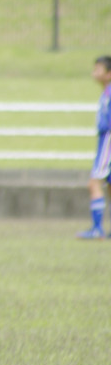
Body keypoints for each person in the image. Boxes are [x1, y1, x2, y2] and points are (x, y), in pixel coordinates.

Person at [77, 55, 111, 239]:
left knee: (94, 183)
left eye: (98, 69)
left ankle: (97, 229)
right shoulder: (106, 92)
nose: (94, 73)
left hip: (108, 142)